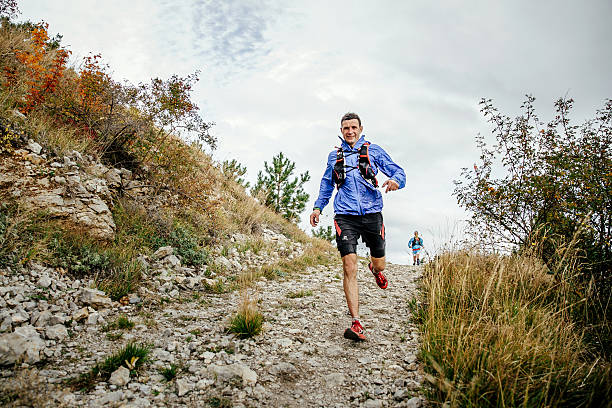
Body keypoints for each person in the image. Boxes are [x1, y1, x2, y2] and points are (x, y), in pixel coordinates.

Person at [309, 112, 406, 341]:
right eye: (345, 128)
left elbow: (398, 171)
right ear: (341, 131)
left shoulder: (374, 151)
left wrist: (395, 182)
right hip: (345, 215)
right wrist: (317, 208)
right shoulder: (334, 157)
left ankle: (375, 270)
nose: (350, 132)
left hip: (372, 213)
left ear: (361, 129)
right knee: (349, 266)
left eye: (353, 127)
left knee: (380, 264)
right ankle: (356, 322)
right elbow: (326, 184)